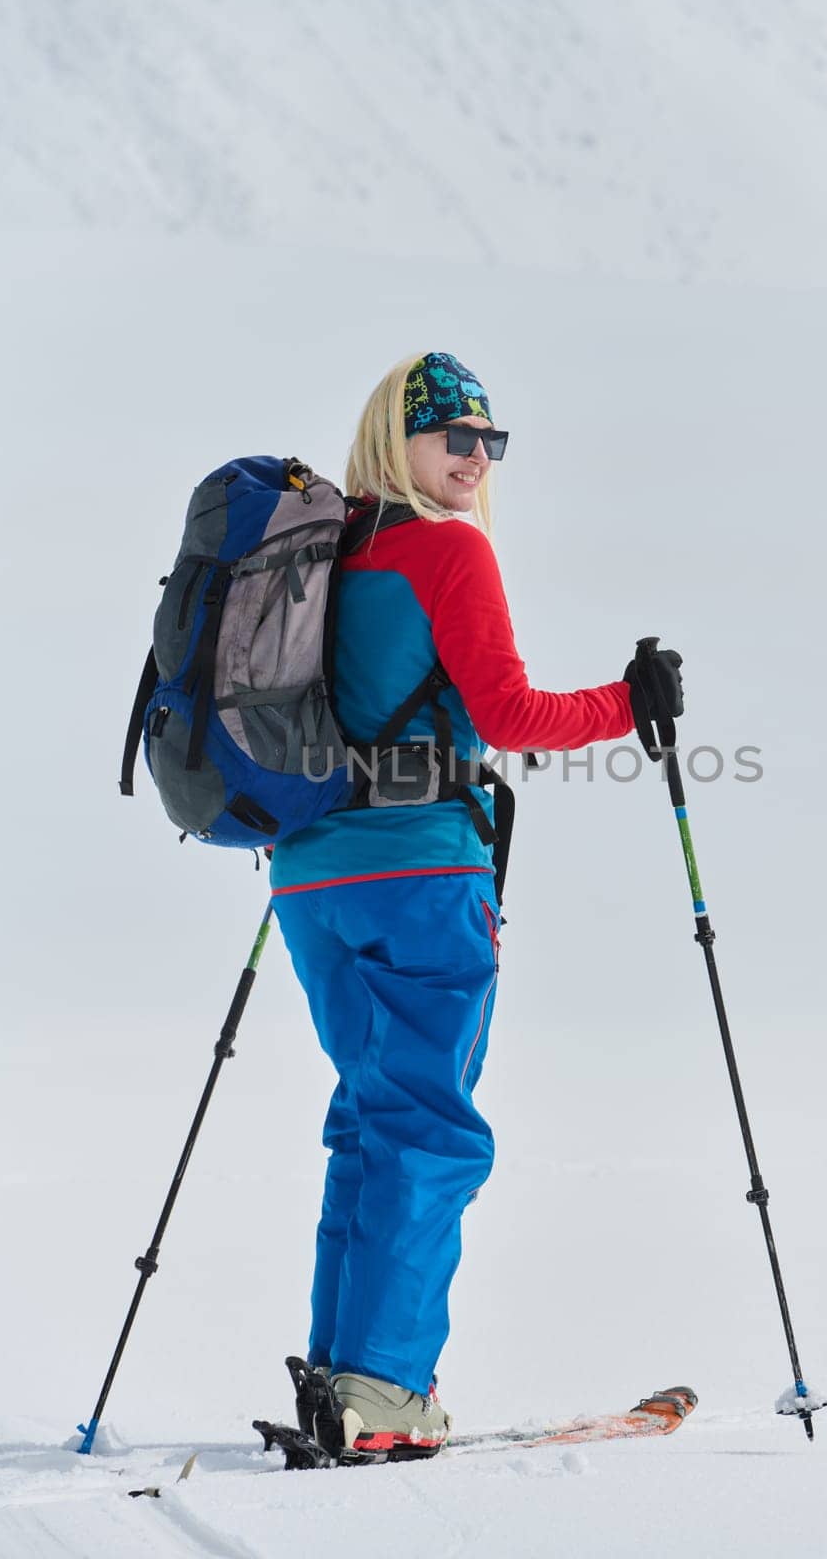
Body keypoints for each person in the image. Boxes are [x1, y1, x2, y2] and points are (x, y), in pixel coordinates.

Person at [270, 352, 682, 1459]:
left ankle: (340, 1373)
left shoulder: (322, 552)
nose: (472, 457)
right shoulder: (447, 551)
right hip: (417, 871)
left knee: (369, 1116)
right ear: (392, 440)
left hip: (307, 877)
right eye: (451, 433)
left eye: (487, 441)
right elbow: (506, 709)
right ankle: (387, 1392)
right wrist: (625, 703)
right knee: (427, 1127)